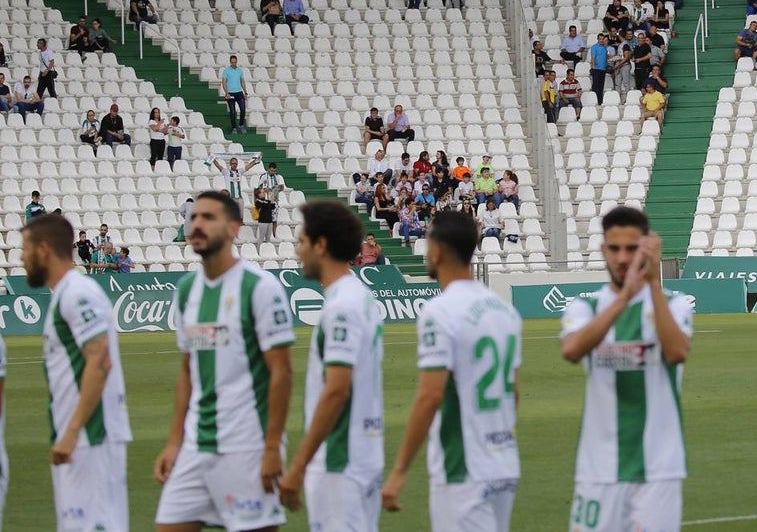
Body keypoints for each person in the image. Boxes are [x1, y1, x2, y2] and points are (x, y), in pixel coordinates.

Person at [153, 191, 295, 532]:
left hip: (247, 445)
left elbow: (282, 373)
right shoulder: (187, 289)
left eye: (208, 218)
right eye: (194, 217)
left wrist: (273, 446)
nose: (197, 224)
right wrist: (174, 442)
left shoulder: (259, 287)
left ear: (233, 229)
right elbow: (188, 370)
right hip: (195, 444)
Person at [382, 211, 523, 529]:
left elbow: (430, 396)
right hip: (503, 460)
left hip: (463, 467)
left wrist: (400, 470)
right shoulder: (504, 310)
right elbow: (513, 391)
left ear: (438, 250)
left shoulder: (440, 311)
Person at [559, 207, 691, 532]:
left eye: (631, 249)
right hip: (598, 469)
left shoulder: (673, 305)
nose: (622, 258)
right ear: (603, 250)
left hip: (658, 469)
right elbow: (572, 350)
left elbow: (676, 352)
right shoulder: (584, 307)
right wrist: (624, 300)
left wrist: (652, 285)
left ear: (646, 249)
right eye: (614, 248)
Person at [277, 201, 384, 530]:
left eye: (302, 243)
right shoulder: (359, 296)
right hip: (362, 453)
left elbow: (336, 390)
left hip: (339, 460)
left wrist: (297, 466)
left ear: (320, 246)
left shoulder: (342, 307)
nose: (298, 252)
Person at [23, 213, 131, 531]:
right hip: (81, 436)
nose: (21, 257)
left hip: (90, 436)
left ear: (44, 249)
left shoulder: (77, 293)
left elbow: (100, 361)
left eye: (25, 249)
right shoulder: (66, 294)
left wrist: (71, 434)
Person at [221, 54, 249, 134]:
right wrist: (226, 93)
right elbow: (224, 82)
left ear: (237, 62)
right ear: (230, 62)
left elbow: (242, 81)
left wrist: (245, 92)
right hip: (230, 93)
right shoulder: (226, 71)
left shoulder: (240, 70)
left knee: (243, 109)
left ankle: (241, 125)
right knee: (232, 111)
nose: (234, 64)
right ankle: (234, 127)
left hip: (239, 92)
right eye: (232, 62)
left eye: (235, 62)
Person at [257, 162, 286, 237]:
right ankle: (266, 235)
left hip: (275, 200)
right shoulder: (263, 177)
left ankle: (274, 235)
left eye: (274, 171)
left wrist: (275, 189)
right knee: (267, 219)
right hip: (266, 201)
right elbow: (258, 189)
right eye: (272, 171)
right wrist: (264, 189)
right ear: (268, 169)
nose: (273, 172)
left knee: (274, 220)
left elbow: (282, 187)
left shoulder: (278, 177)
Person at [587, 32, 609, 105]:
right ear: (597, 39)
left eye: (603, 39)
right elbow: (593, 57)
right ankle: (593, 101)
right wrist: (593, 66)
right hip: (596, 69)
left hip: (603, 69)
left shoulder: (605, 47)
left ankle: (600, 101)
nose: (601, 40)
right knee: (595, 85)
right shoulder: (594, 47)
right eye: (600, 39)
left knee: (601, 86)